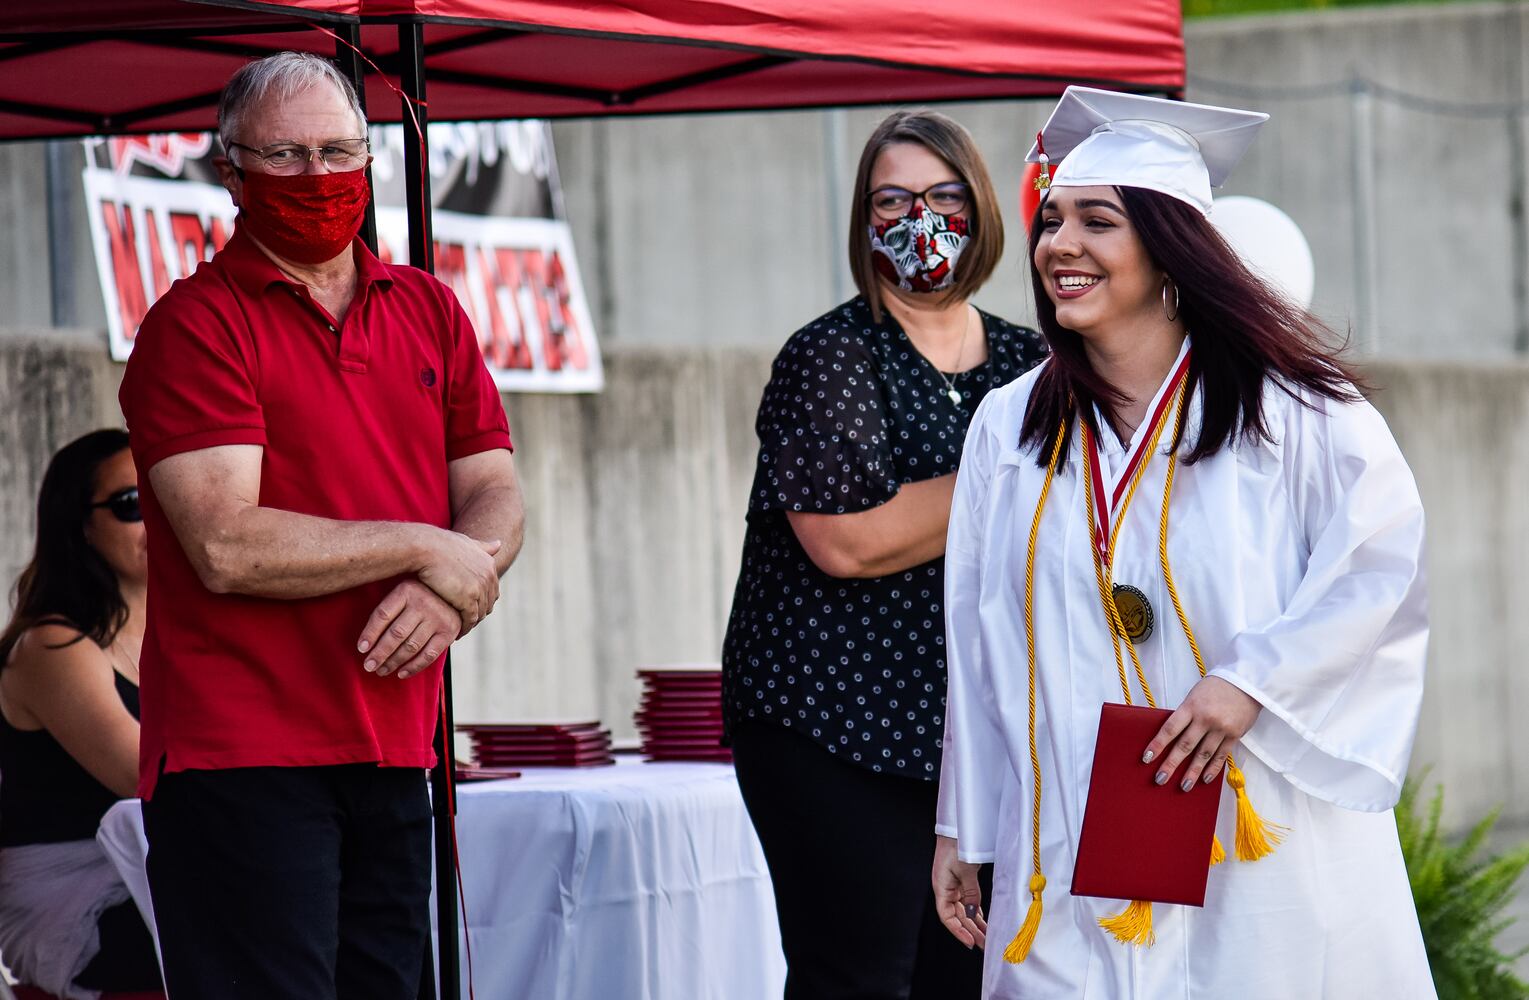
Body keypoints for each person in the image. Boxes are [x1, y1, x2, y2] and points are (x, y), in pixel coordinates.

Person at [931, 87, 1434, 998]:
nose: (1060, 245)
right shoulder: (1008, 427)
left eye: (1097, 220)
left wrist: (1251, 684)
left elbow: (1380, 568)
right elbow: (975, 635)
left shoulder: (1295, 413)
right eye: (1050, 220)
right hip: (1068, 832)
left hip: (1251, 816)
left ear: (1171, 251)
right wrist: (964, 829)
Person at [116, 51, 524, 1000]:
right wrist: (428, 548)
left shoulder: (429, 307)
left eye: (340, 151)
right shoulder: (195, 325)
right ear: (232, 172)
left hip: (394, 743)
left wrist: (448, 592)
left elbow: (496, 492)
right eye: (287, 156)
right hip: (242, 754)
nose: (319, 178)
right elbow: (226, 543)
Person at [721, 109, 1047, 999]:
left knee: (966, 977)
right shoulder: (832, 355)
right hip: (831, 725)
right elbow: (846, 540)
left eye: (942, 197)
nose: (921, 221)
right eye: (893, 201)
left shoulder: (1031, 365)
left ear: (979, 208)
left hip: (965, 734)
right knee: (858, 977)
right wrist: (1003, 474)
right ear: (865, 224)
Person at [0, 429, 162, 998]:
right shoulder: (54, 645)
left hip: (165, 869)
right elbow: (149, 777)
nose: (160, 515)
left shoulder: (187, 635)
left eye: (167, 494)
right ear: (82, 526)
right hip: (79, 894)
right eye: (132, 504)